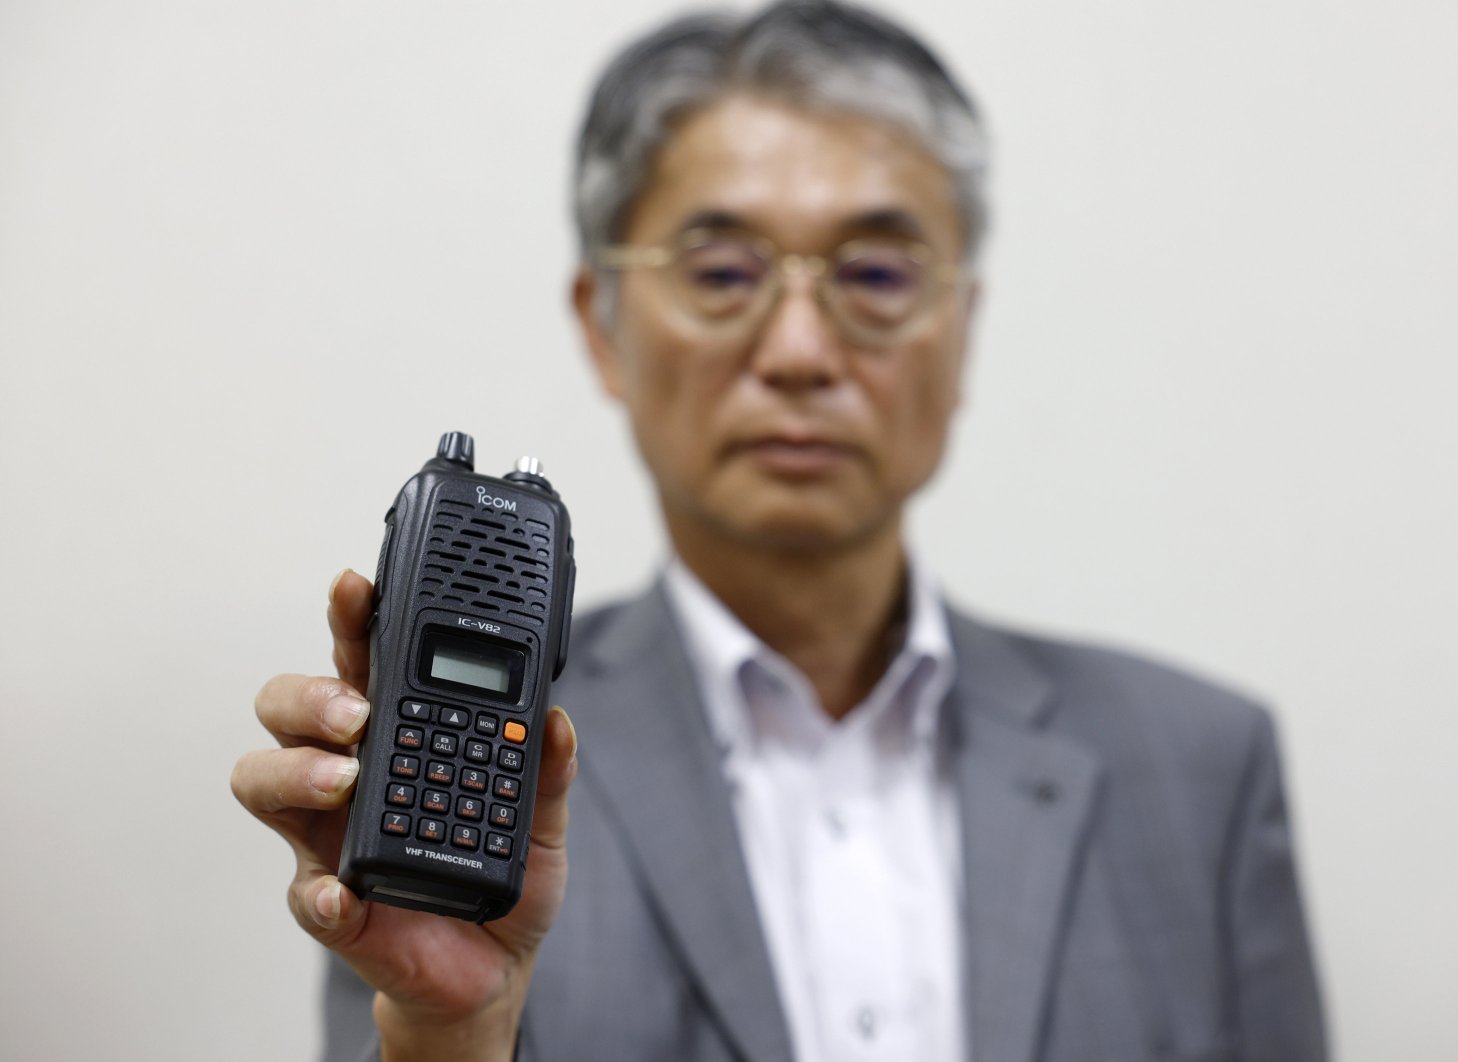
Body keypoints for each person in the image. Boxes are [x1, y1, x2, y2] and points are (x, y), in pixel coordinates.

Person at [232, 2, 1328, 1060]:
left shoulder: (1200, 769)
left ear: (963, 327)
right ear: (601, 328)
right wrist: (451, 1037)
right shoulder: (465, 785)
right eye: (720, 274)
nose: (800, 350)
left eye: (879, 275)